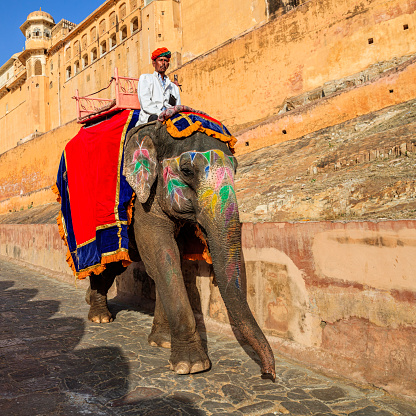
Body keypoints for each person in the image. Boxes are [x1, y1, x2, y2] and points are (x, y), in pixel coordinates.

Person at [136, 47, 181, 125]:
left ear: (168, 65)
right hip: (151, 118)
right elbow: (146, 104)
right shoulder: (146, 78)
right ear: (154, 63)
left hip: (170, 120)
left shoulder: (174, 88)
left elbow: (177, 107)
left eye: (165, 61)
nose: (163, 63)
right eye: (160, 60)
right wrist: (162, 114)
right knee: (154, 119)